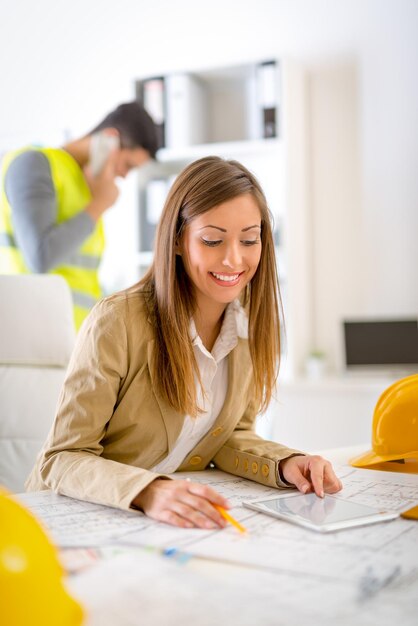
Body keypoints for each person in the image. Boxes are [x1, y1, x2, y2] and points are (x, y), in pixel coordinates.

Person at [26, 156, 342, 530]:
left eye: (249, 239)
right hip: (71, 520)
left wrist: (287, 463)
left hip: (157, 526)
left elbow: (226, 437)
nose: (233, 259)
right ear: (177, 241)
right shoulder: (117, 322)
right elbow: (63, 457)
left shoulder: (246, 326)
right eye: (212, 240)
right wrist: (149, 490)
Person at [0, 102, 159, 329]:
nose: (124, 176)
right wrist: (98, 205)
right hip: (32, 334)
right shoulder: (35, 164)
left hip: (72, 341)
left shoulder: (87, 189)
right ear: (109, 139)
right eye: (128, 165)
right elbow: (40, 256)